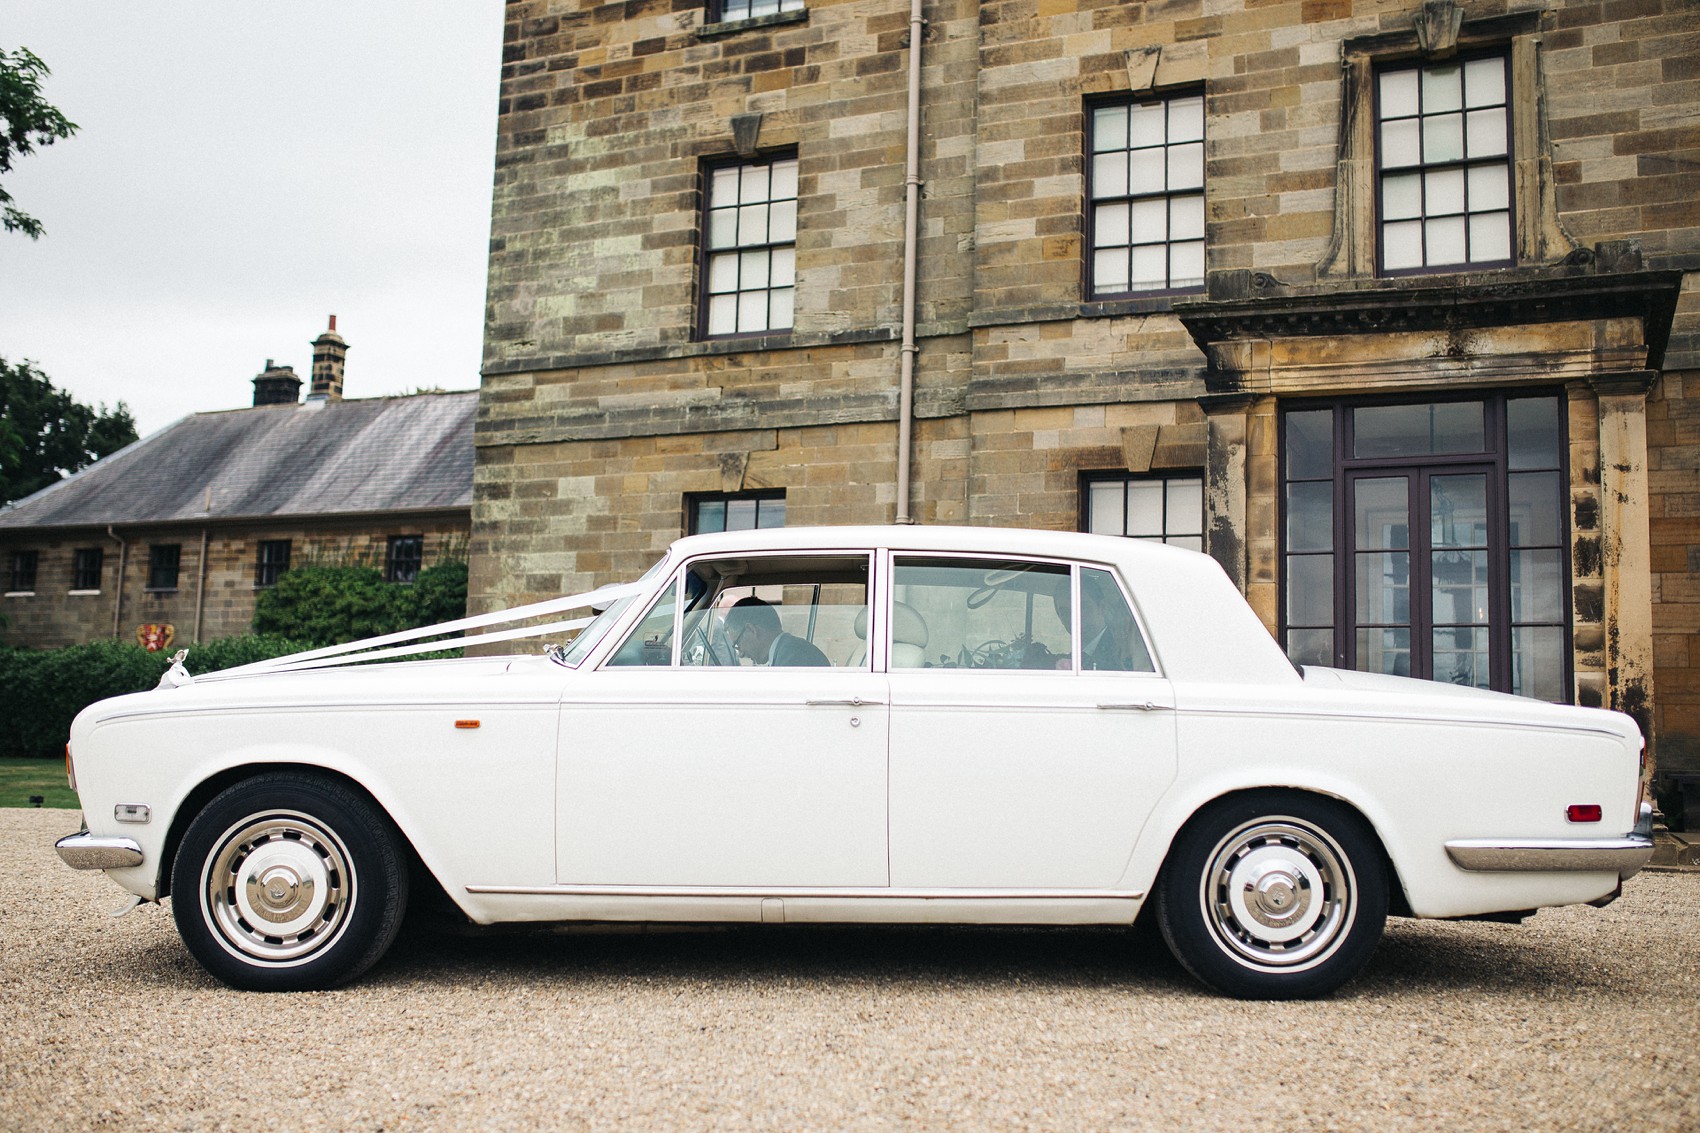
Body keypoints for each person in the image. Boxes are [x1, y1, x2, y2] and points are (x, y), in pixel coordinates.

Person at [722, 597, 831, 667]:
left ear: (752, 630)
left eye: (738, 644)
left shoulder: (791, 659)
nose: (741, 654)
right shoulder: (788, 652)